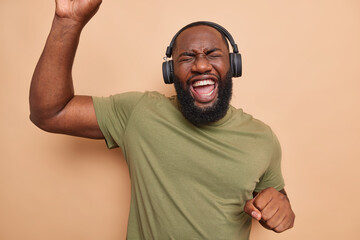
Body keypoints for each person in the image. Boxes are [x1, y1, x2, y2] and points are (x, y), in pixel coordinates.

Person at [29, 0, 295, 239]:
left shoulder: (262, 138)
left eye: (213, 54)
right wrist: (68, 22)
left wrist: (282, 208)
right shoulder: (140, 113)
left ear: (233, 65)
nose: (201, 65)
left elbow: (276, 198)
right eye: (187, 57)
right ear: (170, 72)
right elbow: (50, 112)